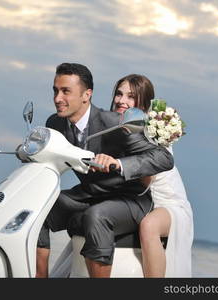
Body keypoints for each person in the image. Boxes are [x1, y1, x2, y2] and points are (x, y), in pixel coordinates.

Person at [36, 63, 174, 278]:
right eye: (55, 90)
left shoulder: (117, 123)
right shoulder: (55, 124)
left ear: (86, 95)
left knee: (97, 216)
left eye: (65, 91)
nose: (57, 98)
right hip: (90, 194)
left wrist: (119, 164)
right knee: (38, 208)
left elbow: (163, 157)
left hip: (129, 199)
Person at [110, 74, 194, 277]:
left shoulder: (152, 130)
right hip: (139, 201)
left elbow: (145, 179)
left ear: (143, 103)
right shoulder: (112, 128)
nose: (122, 100)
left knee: (149, 226)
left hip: (168, 204)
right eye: (119, 94)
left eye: (131, 96)